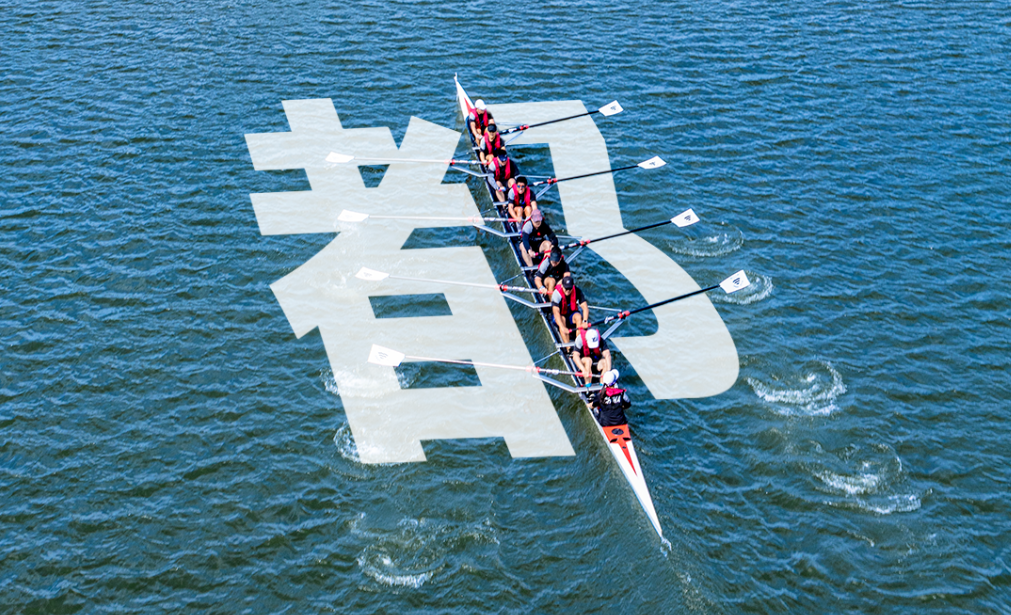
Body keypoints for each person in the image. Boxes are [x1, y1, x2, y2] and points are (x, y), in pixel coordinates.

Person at [550, 275, 588, 344]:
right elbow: (556, 312)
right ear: (562, 286)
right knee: (562, 319)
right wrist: (562, 327)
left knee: (578, 317)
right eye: (566, 288)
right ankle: (568, 348)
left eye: (570, 288)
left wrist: (585, 321)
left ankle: (578, 344)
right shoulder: (556, 294)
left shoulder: (577, 291)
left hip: (570, 315)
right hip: (559, 317)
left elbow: (585, 307)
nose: (568, 290)